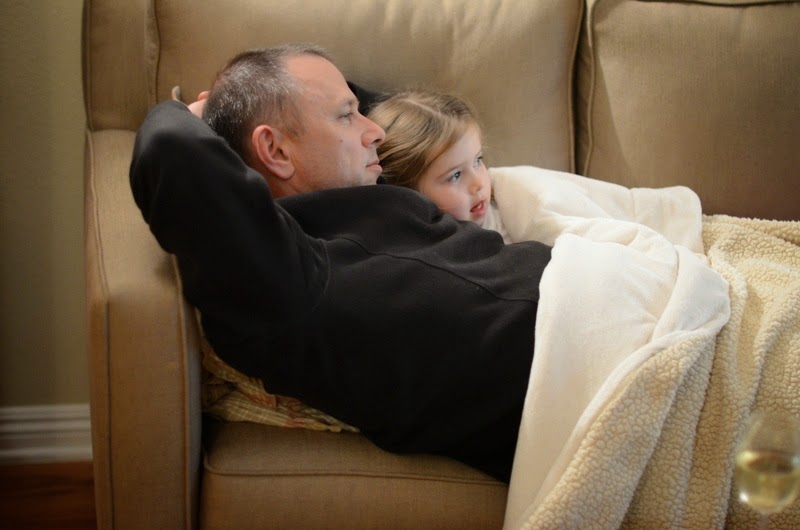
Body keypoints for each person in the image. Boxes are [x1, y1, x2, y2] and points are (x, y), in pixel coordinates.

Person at [130, 43, 551, 482]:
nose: (376, 131)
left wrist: (241, 104)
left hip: (578, 288)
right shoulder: (285, 275)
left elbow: (362, 107)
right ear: (274, 151)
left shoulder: (366, 181)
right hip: (564, 362)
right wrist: (190, 112)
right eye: (348, 116)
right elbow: (170, 149)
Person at [368, 90, 510, 242]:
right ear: (410, 196)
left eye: (477, 160)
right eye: (455, 175)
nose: (479, 183)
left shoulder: (511, 208)